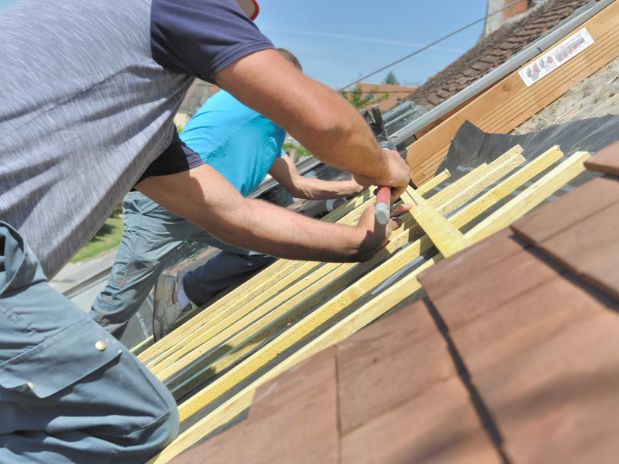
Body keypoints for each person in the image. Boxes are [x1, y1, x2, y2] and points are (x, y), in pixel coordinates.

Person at [0, 0, 410, 462]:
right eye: (243, 14)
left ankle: (183, 294)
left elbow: (235, 213)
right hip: (126, 226)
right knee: (126, 420)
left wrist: (357, 243)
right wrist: (381, 164)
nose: (242, 23)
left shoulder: (133, 116)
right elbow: (326, 121)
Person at [90, 49, 365, 341]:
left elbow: (298, 185)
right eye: (288, 80)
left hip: (213, 210)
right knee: (118, 304)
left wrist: (352, 186)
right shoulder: (250, 100)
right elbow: (323, 125)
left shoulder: (269, 133)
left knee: (264, 248)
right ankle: (72, 368)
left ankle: (183, 291)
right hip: (167, 203)